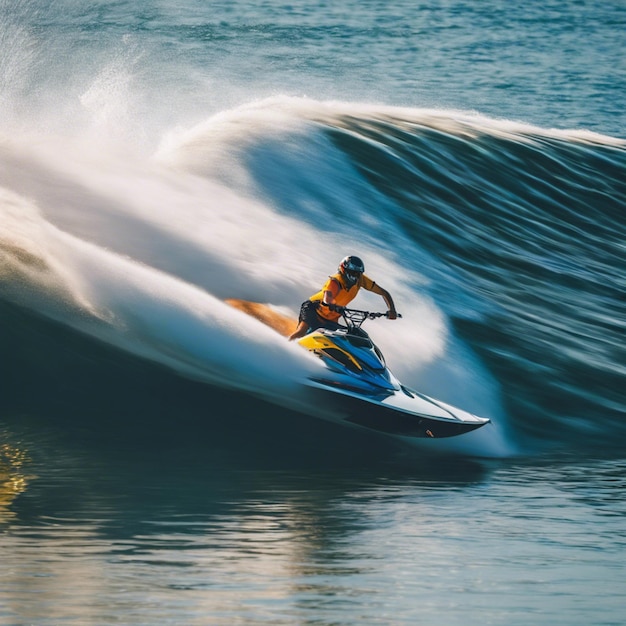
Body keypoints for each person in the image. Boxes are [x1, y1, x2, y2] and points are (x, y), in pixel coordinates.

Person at [288, 255, 398, 341]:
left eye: (358, 273)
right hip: (313, 308)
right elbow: (327, 297)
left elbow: (384, 293)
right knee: (301, 331)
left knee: (344, 338)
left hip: (332, 316)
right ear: (343, 269)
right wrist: (332, 304)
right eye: (352, 272)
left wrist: (392, 310)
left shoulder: (361, 280)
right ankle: (286, 348)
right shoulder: (335, 281)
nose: (355, 275)